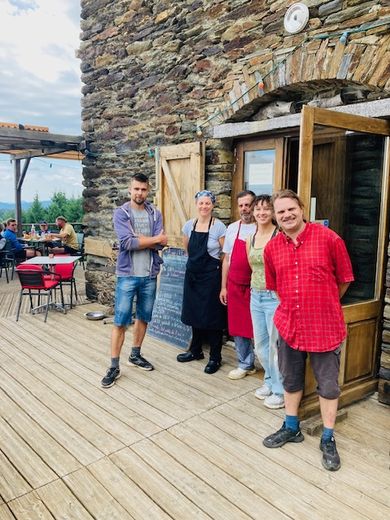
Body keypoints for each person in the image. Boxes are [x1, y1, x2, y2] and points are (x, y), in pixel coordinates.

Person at [262, 189, 354, 471]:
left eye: (291, 209)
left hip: (324, 325)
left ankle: (328, 436)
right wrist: (295, 306)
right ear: (276, 218)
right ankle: (292, 427)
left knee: (328, 384)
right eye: (281, 212)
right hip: (289, 325)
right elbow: (276, 287)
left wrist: (323, 304)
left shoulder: (329, 239)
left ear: (302, 209)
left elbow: (345, 280)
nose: (287, 215)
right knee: (290, 379)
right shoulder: (272, 248)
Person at [101, 173, 167, 388]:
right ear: (130, 190)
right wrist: (154, 239)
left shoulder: (155, 214)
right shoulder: (121, 213)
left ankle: (135, 354)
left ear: (148, 191)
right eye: (136, 189)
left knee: (144, 317)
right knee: (120, 321)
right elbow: (127, 243)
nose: (139, 193)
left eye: (143, 189)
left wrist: (147, 241)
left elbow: (160, 244)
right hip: (127, 276)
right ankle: (113, 366)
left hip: (149, 274)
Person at [177, 190, 226, 374]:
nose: (204, 206)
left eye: (207, 203)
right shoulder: (189, 225)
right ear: (196, 205)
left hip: (211, 277)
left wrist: (216, 274)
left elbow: (224, 254)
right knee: (194, 314)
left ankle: (215, 357)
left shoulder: (219, 227)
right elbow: (188, 249)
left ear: (213, 205)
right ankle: (195, 351)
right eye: (201, 203)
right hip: (193, 276)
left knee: (213, 317)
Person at [246, 195, 284, 409]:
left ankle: (279, 390)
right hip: (256, 295)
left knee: (275, 345)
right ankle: (269, 381)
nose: (261, 213)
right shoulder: (250, 238)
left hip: (274, 297)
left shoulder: (278, 236)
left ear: (272, 213)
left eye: (266, 209)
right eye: (258, 209)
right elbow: (254, 267)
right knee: (260, 344)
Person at [219, 190, 256, 379]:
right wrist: (223, 286)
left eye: (248, 204)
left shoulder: (263, 226)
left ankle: (267, 365)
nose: (244, 209)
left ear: (254, 205)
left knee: (259, 326)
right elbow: (226, 259)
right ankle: (245, 363)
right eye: (241, 205)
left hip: (256, 285)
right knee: (239, 325)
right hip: (234, 283)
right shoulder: (233, 228)